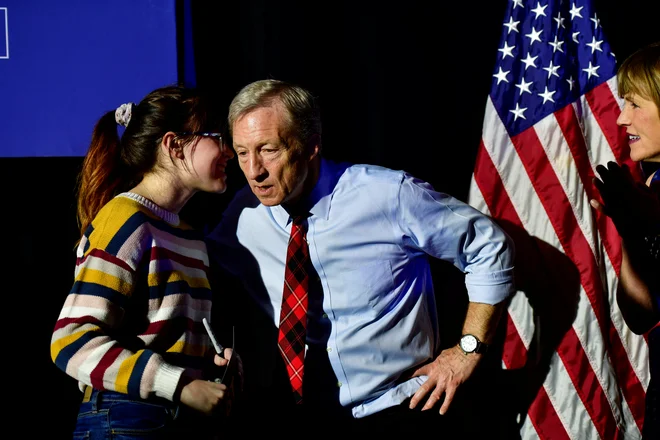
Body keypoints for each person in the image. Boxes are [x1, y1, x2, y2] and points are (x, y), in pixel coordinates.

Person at [205, 79, 516, 434]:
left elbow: (491, 246)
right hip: (306, 416)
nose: (254, 171)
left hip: (402, 409)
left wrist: (467, 351)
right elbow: (201, 269)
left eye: (269, 150)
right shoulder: (244, 214)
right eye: (242, 152)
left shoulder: (387, 195)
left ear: (310, 146)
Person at [50, 85, 238, 439]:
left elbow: (168, 339)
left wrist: (210, 367)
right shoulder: (125, 219)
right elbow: (69, 341)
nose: (229, 152)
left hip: (173, 420)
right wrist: (179, 384)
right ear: (174, 144)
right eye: (217, 137)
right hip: (125, 417)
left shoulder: (189, 236)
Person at [590, 41, 660, 439]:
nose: (620, 119)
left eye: (634, 104)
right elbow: (642, 315)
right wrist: (631, 229)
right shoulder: (649, 189)